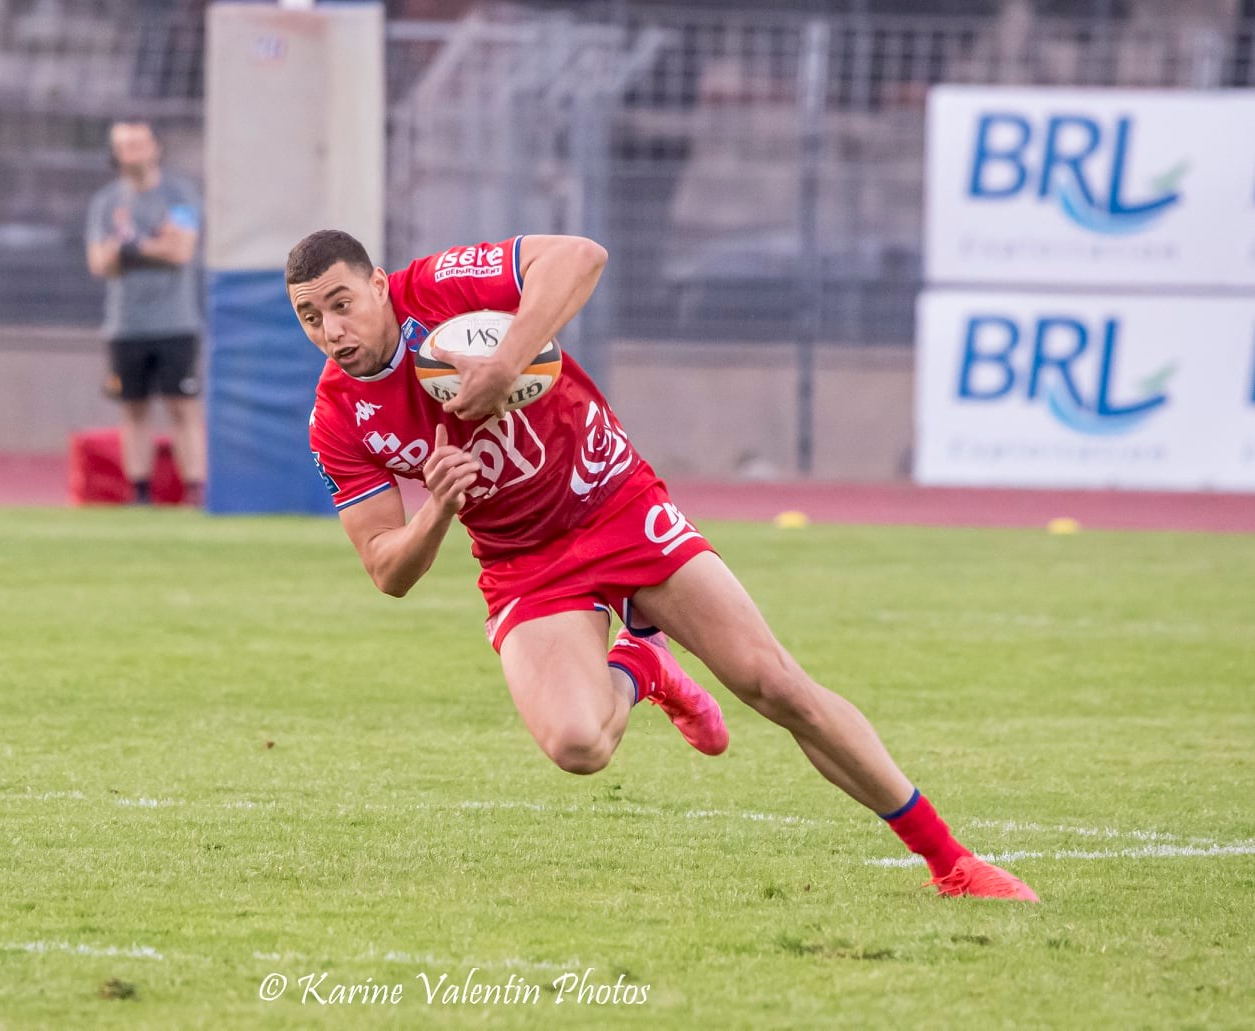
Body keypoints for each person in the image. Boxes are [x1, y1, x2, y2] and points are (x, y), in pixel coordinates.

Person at [289, 229, 1038, 901]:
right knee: (577, 745)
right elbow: (387, 568)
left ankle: (950, 862)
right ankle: (643, 663)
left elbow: (580, 256)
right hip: (524, 562)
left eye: (342, 303)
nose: (332, 329)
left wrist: (506, 360)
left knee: (772, 683)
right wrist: (437, 510)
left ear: (380, 282)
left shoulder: (442, 286)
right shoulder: (334, 417)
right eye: (310, 316)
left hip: (613, 500)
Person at [85, 121, 206, 506]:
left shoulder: (179, 194)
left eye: (139, 143)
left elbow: (182, 251)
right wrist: (154, 245)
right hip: (125, 324)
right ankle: (139, 491)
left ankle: (195, 491)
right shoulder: (106, 203)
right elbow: (99, 262)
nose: (133, 152)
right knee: (133, 407)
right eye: (125, 145)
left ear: (155, 146)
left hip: (176, 322)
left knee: (181, 405)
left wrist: (128, 248)